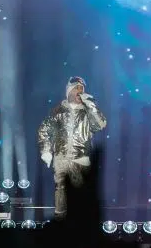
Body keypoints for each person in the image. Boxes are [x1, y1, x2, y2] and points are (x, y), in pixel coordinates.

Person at [37, 77, 107, 218]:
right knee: (61, 190)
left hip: (82, 158)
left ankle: (82, 222)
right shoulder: (58, 111)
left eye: (82, 88)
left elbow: (100, 125)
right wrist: (46, 151)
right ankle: (61, 220)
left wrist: (91, 106)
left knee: (81, 191)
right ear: (69, 91)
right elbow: (44, 130)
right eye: (76, 88)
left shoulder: (88, 111)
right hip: (61, 158)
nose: (80, 91)